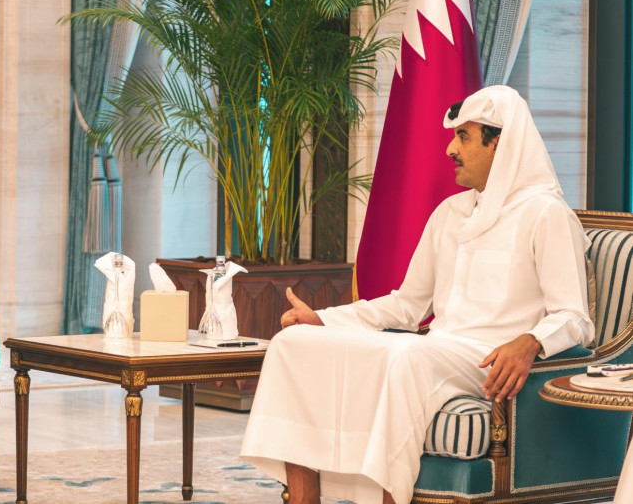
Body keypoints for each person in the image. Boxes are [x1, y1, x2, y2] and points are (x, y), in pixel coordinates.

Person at [240, 85, 594, 504]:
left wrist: (531, 341)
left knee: (405, 355)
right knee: (295, 343)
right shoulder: (449, 213)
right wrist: (325, 319)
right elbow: (407, 305)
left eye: (463, 137)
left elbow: (575, 318)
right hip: (438, 350)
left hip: (487, 359)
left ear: (498, 143)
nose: (450, 149)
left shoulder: (546, 214)